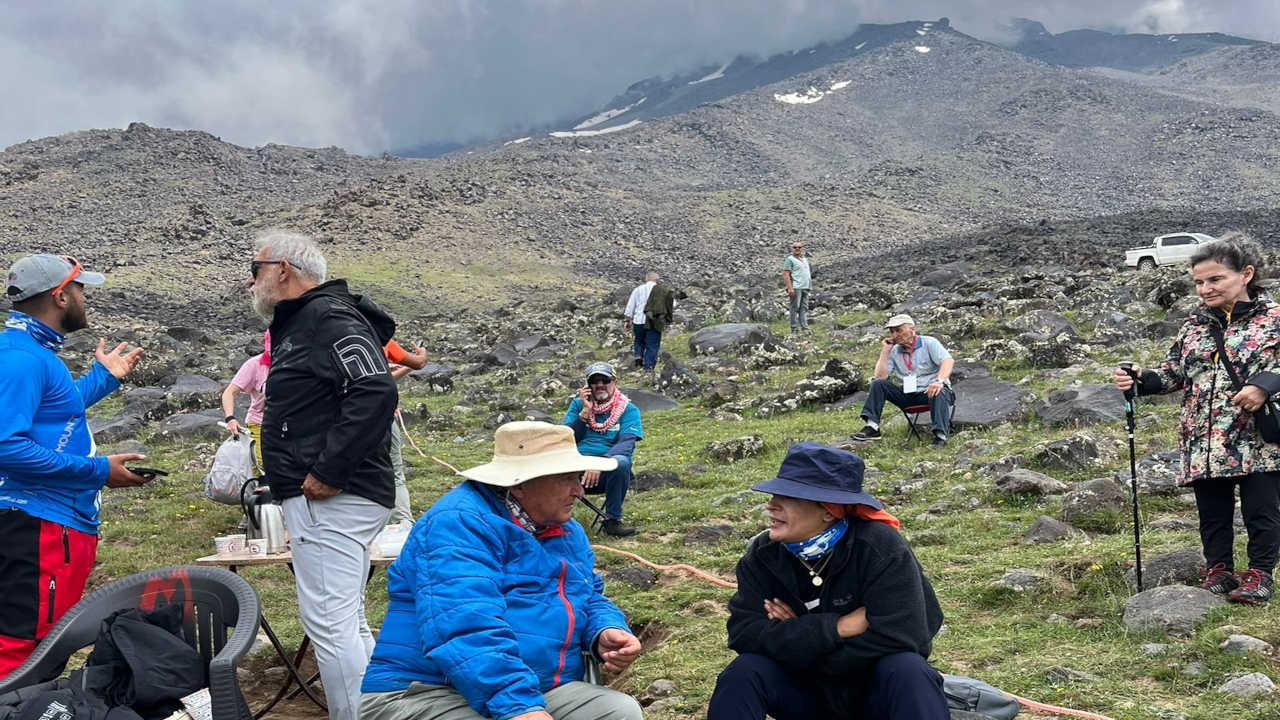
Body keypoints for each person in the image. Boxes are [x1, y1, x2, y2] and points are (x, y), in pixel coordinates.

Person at [360, 421, 644, 720]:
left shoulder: (566, 531)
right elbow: (466, 625)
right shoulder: (458, 525)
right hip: (426, 690)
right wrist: (519, 707)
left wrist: (604, 629)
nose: (579, 489)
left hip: (531, 684)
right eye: (566, 478)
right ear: (520, 483)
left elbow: (587, 594)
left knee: (618, 712)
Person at [250, 230, 400, 720]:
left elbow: (374, 389)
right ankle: (381, 711)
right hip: (332, 492)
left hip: (331, 494)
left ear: (283, 270)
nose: (252, 282)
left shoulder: (325, 316)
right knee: (347, 618)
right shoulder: (311, 322)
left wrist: (328, 470)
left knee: (329, 624)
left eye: (256, 270)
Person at [707, 442, 948, 720]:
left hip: (875, 691)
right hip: (806, 692)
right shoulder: (763, 556)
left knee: (909, 669)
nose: (771, 505)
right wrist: (838, 627)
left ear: (829, 510)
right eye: (774, 494)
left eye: (788, 497)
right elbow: (744, 634)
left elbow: (906, 637)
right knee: (744, 672)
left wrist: (797, 640)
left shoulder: (878, 546)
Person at [0, 254, 151, 676]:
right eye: (81, 288)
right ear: (61, 296)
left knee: (40, 648)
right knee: (23, 653)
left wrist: (103, 378)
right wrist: (100, 471)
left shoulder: (30, 351)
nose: (86, 297)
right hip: (36, 526)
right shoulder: (21, 358)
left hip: (46, 524)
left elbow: (53, 415)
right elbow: (5, 446)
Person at [1114, 234, 1280, 605]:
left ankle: (1259, 575)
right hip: (1205, 437)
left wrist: (1264, 386)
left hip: (1259, 435)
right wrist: (1141, 379)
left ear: (1246, 274)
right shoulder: (1195, 326)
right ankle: (1218, 571)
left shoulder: (1275, 319)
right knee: (1212, 512)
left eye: (1215, 279)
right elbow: (1175, 374)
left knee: (1261, 508)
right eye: (1199, 283)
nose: (1205, 289)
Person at [849, 314, 954, 448]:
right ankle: (872, 427)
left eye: (899, 330)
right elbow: (880, 377)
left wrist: (939, 381)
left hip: (932, 392)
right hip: (908, 395)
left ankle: (940, 437)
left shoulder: (929, 342)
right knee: (878, 384)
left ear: (912, 328)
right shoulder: (894, 351)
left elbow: (947, 361)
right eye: (892, 331)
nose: (895, 335)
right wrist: (885, 351)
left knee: (939, 390)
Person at [561, 362, 642, 537]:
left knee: (621, 462)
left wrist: (600, 463)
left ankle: (612, 521)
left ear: (615, 382)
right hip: (574, 470)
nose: (599, 385)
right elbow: (565, 440)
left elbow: (627, 444)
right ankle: (551, 521)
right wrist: (584, 413)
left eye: (604, 379)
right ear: (588, 386)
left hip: (608, 472)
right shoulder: (577, 406)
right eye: (594, 381)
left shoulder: (628, 410)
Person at [384, 339, 427, 525]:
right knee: (394, 471)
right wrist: (421, 354)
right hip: (383, 412)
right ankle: (403, 522)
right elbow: (419, 362)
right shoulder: (380, 337)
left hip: (347, 417)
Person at [221, 331, 270, 473]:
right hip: (259, 423)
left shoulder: (295, 363)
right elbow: (229, 392)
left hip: (289, 426)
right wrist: (230, 418)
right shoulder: (254, 365)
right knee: (260, 466)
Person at [623, 272, 658, 371]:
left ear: (646, 279)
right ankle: (648, 367)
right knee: (652, 344)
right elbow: (672, 304)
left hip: (639, 320)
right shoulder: (662, 291)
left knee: (638, 340)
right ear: (657, 280)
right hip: (654, 321)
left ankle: (639, 355)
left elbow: (630, 306)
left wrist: (627, 320)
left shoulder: (638, 290)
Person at [782, 241, 811, 335]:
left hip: (806, 287)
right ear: (792, 249)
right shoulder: (789, 259)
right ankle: (794, 329)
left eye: (799, 247)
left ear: (802, 249)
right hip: (796, 287)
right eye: (795, 247)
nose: (797, 249)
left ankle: (805, 328)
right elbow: (786, 274)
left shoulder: (805, 259)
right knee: (794, 308)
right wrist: (790, 288)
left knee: (804, 308)